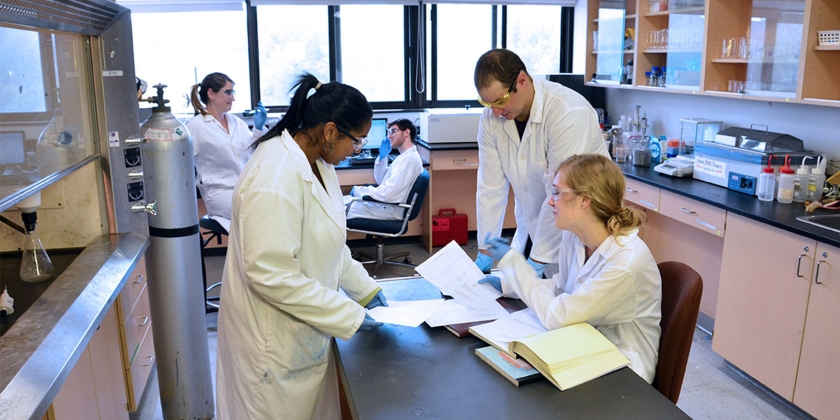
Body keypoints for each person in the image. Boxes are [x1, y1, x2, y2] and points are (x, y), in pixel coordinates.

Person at [215, 73, 388, 420]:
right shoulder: (274, 177)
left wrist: (366, 290)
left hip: (301, 338)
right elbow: (270, 274)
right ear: (329, 132)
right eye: (356, 141)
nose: (356, 150)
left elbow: (329, 240)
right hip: (270, 350)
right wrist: (349, 314)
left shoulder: (317, 163)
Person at [479, 154, 662, 383]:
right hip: (583, 343)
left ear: (585, 200)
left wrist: (514, 264)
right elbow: (562, 289)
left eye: (557, 192)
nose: (550, 201)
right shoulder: (575, 237)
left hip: (623, 371)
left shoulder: (625, 263)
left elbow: (557, 315)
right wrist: (508, 283)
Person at [472, 49, 610, 277]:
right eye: (487, 104)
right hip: (533, 229)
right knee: (530, 303)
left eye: (501, 101)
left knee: (577, 304)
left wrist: (538, 260)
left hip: (583, 234)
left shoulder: (567, 113)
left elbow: (560, 195)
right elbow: (491, 187)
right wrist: (486, 249)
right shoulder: (492, 118)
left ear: (522, 81)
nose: (495, 112)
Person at [186, 72, 268, 232]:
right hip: (219, 193)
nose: (233, 98)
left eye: (233, 93)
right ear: (211, 94)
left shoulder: (237, 122)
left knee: (274, 205)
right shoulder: (195, 126)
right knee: (258, 214)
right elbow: (183, 163)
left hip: (245, 187)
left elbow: (252, 152)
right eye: (228, 92)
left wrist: (258, 128)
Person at [345, 118, 423, 220]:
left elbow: (388, 194)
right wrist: (382, 157)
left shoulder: (409, 160)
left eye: (393, 131)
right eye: (388, 132)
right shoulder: (404, 156)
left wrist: (359, 191)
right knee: (340, 203)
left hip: (391, 209)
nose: (389, 136)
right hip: (388, 206)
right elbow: (382, 180)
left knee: (339, 210)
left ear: (407, 132)